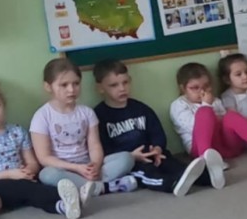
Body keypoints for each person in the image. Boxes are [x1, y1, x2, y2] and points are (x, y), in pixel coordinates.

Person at [0, 74, 83, 219]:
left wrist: (28, 171)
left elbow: (32, 162)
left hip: (19, 178)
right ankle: (67, 198)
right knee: (26, 189)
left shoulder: (16, 131)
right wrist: (9, 174)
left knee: (42, 178)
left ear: (3, 104)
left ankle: (63, 205)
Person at [94, 60, 221, 195]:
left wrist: (158, 148)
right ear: (101, 88)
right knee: (148, 174)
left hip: (155, 154)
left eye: (125, 82)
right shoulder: (99, 115)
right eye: (114, 85)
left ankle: (209, 176)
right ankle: (173, 184)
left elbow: (157, 133)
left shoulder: (141, 108)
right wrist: (132, 156)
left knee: (176, 165)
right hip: (133, 162)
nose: (122, 88)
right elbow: (103, 148)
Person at [31, 57, 138, 198]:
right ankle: (105, 187)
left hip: (87, 166)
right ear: (48, 87)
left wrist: (95, 165)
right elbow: (44, 158)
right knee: (46, 175)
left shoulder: (87, 112)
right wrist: (76, 168)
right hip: (64, 169)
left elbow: (94, 145)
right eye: (64, 85)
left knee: (126, 157)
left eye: (76, 83)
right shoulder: (42, 116)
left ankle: (88, 187)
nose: (71, 90)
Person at [169, 62, 247, 167]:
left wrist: (215, 116)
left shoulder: (216, 101)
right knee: (204, 113)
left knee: (231, 116)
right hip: (200, 150)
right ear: (183, 89)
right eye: (195, 88)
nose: (202, 92)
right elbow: (196, 127)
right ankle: (209, 162)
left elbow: (225, 122)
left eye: (206, 86)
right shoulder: (178, 105)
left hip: (226, 146)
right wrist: (206, 106)